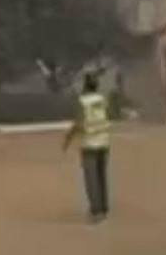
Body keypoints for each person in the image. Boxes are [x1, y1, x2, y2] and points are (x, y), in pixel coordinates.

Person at [63, 73, 111, 223]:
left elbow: (78, 123)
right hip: (104, 142)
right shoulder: (102, 100)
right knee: (102, 177)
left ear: (85, 85)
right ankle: (103, 207)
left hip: (89, 143)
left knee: (91, 179)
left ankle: (96, 212)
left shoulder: (82, 102)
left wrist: (67, 139)